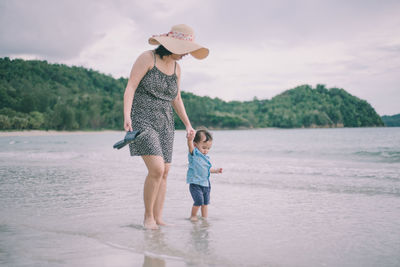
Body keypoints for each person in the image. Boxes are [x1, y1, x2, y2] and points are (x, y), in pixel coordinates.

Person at [123, 24, 209, 230]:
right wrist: (126, 116)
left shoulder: (177, 68)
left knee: (165, 172)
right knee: (157, 168)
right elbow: (131, 86)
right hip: (142, 119)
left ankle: (158, 217)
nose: (187, 54)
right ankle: (148, 218)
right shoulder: (147, 58)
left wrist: (188, 124)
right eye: (184, 49)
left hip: (166, 122)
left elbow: (176, 98)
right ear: (173, 45)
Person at [186, 129, 223, 221]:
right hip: (195, 184)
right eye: (204, 147)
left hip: (206, 184)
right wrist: (190, 139)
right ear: (195, 145)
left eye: (208, 148)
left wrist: (216, 170)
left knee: (205, 203)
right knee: (198, 201)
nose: (206, 150)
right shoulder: (194, 154)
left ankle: (204, 217)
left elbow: (207, 169)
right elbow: (190, 145)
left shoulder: (206, 158)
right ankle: (193, 216)